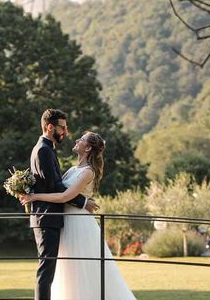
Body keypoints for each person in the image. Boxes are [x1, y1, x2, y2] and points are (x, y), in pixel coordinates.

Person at [22, 130, 136, 300]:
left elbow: (64, 197)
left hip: (79, 224)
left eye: (81, 139)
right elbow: (58, 189)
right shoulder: (73, 169)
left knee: (82, 268)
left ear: (88, 148)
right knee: (67, 269)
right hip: (66, 223)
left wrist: (34, 197)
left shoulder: (88, 172)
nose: (76, 140)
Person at [29, 109, 100, 300]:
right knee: (47, 270)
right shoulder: (44, 150)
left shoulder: (47, 148)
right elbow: (57, 187)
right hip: (48, 217)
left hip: (56, 218)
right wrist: (83, 202)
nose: (66, 132)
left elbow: (56, 186)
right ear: (50, 127)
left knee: (54, 270)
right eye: (63, 127)